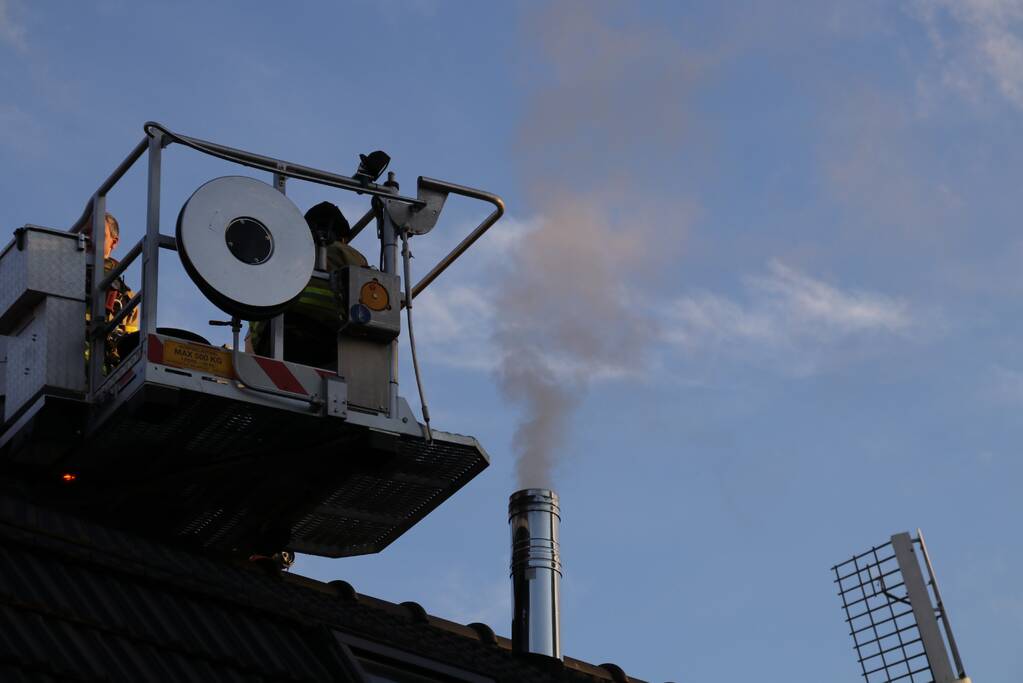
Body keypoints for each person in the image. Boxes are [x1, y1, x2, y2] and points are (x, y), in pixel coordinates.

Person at [245, 202, 367, 368]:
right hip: (329, 342)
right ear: (344, 238)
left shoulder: (280, 252)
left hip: (272, 339)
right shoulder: (351, 256)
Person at [83, 212, 140, 370]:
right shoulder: (65, 274)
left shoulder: (126, 296)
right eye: (84, 233)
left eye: (96, 233)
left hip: (103, 373)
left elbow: (130, 343)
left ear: (113, 243)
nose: (88, 237)